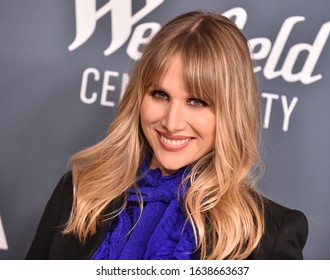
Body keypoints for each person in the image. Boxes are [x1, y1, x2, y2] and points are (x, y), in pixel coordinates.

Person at [26, 11, 308, 260]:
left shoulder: (268, 236)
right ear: (139, 97)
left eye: (197, 101)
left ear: (231, 112)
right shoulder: (78, 192)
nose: (172, 123)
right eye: (160, 94)